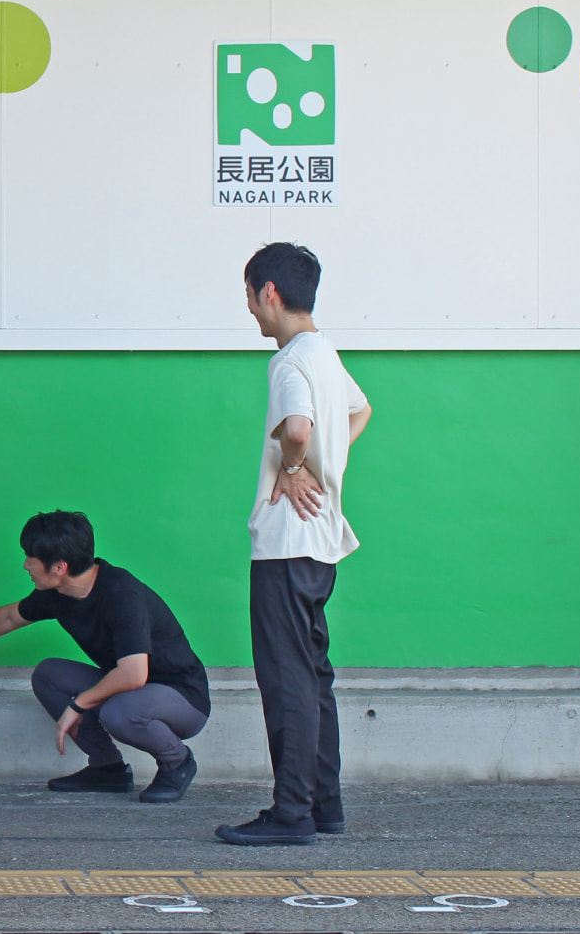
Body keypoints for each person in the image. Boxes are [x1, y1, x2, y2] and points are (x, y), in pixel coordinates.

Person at [216, 243, 373, 846]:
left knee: (286, 681)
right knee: (312, 677)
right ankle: (323, 806)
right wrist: (325, 467)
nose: (251, 311)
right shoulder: (325, 354)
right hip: (321, 543)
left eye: (250, 297)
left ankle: (291, 815)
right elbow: (361, 412)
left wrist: (294, 464)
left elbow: (300, 429)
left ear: (270, 293)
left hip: (286, 542)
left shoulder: (287, 363)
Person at [0, 510, 211, 805]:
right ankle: (108, 769)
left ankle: (177, 762)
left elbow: (133, 674)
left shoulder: (121, 594)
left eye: (31, 558)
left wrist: (78, 705)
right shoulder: (58, 594)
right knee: (49, 675)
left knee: (118, 711)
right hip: (135, 691)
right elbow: (8, 618)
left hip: (182, 698)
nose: (26, 565)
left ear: (59, 567)